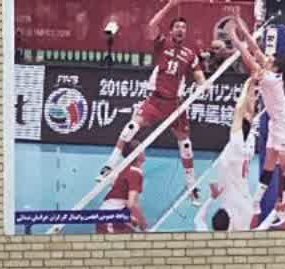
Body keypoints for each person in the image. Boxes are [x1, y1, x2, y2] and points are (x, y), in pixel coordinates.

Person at [102, 1, 209, 200]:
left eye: (184, 27)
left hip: (176, 105)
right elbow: (152, 25)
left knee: (185, 144)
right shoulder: (162, 43)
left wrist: (203, 85)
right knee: (131, 127)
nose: (181, 30)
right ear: (171, 30)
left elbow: (199, 75)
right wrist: (170, 5)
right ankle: (110, 165)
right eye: (177, 27)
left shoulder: (190, 54)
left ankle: (191, 185)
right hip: (156, 101)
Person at [228, 15, 285, 230]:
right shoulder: (270, 70)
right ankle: (256, 202)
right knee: (269, 164)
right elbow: (253, 46)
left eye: (269, 60)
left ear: (275, 67)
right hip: (275, 125)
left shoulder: (270, 79)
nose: (265, 59)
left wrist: (233, 36)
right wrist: (240, 23)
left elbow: (247, 56)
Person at [195, 78, 262, 232]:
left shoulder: (244, 145)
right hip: (236, 190)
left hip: (244, 201)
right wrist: (248, 86)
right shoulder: (241, 145)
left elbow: (245, 115)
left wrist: (250, 88)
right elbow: (240, 112)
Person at [96, 151, 149, 234]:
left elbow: (129, 204)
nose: (144, 152)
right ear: (137, 155)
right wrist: (143, 223)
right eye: (142, 150)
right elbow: (132, 204)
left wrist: (135, 220)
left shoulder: (124, 170)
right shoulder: (135, 172)